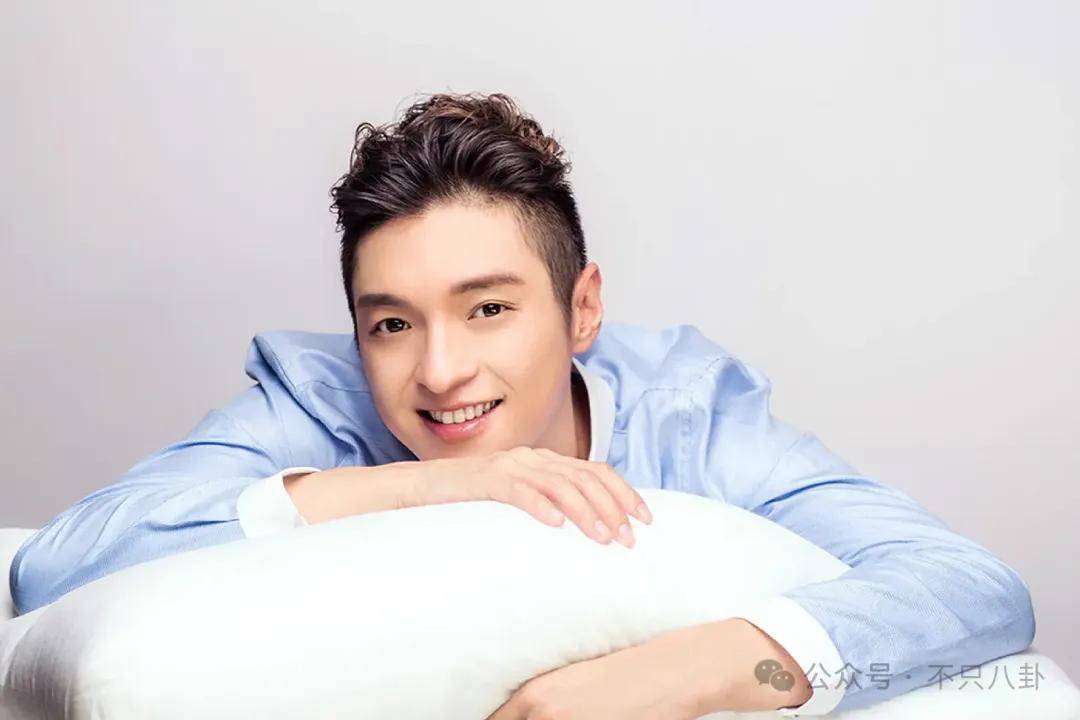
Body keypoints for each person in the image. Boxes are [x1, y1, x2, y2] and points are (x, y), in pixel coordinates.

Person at [9, 92, 1035, 718]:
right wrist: (430, 487)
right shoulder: (318, 402)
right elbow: (53, 566)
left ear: (582, 308)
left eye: (489, 308)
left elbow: (974, 590)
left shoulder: (689, 416)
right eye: (392, 324)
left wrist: (676, 676)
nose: (440, 370)